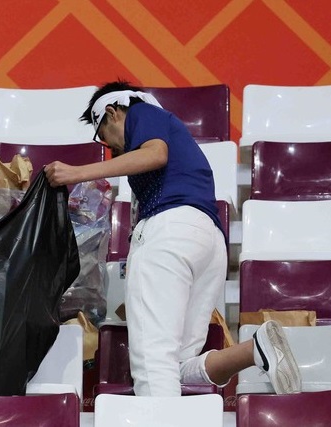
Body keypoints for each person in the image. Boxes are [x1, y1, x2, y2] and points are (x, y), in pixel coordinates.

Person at [44, 80, 301, 396]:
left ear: (111, 112)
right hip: (208, 242)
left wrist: (77, 173)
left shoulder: (142, 114)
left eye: (106, 139)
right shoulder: (172, 133)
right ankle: (255, 350)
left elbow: (156, 154)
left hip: (170, 233)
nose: (112, 149)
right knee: (178, 366)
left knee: (153, 366)